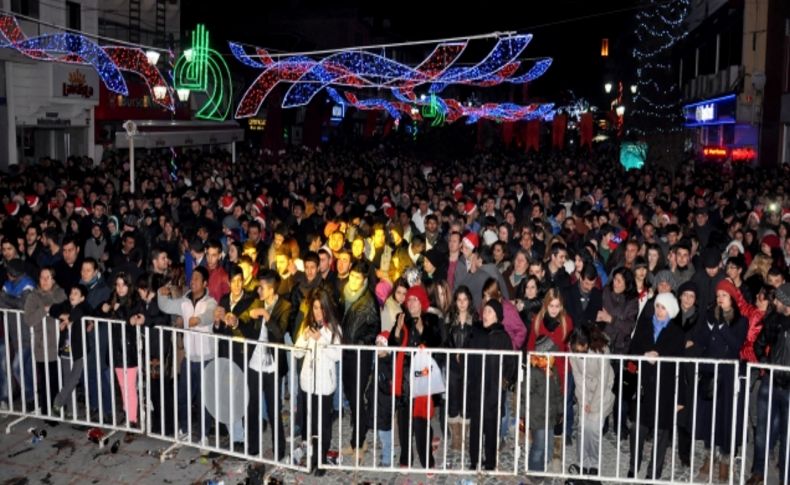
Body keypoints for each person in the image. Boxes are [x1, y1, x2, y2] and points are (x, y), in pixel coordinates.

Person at [689, 279, 747, 482]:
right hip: (710, 372)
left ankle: (725, 461)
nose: (720, 299)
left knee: (726, 417)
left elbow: (736, 345)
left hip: (728, 375)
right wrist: (709, 327)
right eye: (718, 295)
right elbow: (703, 341)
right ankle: (708, 457)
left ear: (732, 298)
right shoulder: (709, 316)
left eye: (724, 295)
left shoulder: (741, 321)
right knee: (708, 417)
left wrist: (721, 326)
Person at [627, 292, 685, 480]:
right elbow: (632, 349)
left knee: (661, 433)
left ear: (671, 310)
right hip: (644, 385)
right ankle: (633, 465)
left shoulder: (677, 332)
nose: (659, 311)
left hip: (665, 387)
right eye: (658, 306)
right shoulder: (644, 324)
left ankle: (654, 472)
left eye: (663, 307)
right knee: (638, 429)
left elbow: (682, 365)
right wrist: (644, 355)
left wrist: (681, 397)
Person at [157, 266, 217, 443]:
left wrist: (198, 320)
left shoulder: (210, 301)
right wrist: (162, 293)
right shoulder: (184, 302)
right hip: (189, 358)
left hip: (206, 359)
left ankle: (204, 434)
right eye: (192, 278)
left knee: (204, 399)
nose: (193, 281)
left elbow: (210, 315)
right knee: (183, 396)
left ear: (205, 283)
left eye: (197, 279)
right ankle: (185, 429)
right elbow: (166, 306)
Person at [389, 284, 443, 469]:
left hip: (424, 379)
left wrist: (423, 329)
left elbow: (438, 343)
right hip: (404, 380)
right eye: (409, 299)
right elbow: (392, 344)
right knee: (404, 422)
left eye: (415, 299)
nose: (411, 303)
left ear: (422, 302)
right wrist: (397, 329)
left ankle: (427, 459)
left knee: (421, 422)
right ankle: (405, 458)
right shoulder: (401, 319)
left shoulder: (432, 320)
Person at [293, 288, 342, 477]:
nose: (317, 312)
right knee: (310, 423)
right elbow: (297, 352)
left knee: (323, 425)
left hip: (324, 384)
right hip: (308, 382)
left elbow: (336, 355)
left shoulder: (334, 329)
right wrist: (305, 338)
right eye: (314, 308)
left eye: (321, 308)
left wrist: (320, 339)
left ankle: (321, 459)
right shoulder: (308, 326)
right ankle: (311, 456)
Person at [466, 299, 515, 470]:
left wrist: (505, 381)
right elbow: (468, 355)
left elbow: (510, 362)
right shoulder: (476, 332)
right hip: (477, 386)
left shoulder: (503, 337)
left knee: (491, 425)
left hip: (493, 389)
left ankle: (490, 461)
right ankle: (474, 460)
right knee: (476, 425)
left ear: (497, 317)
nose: (485, 315)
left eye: (490, 312)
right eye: (484, 311)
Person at [339, 261, 380, 459]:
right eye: (352, 276)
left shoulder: (369, 300)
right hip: (345, 352)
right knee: (349, 393)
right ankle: (357, 440)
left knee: (357, 396)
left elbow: (375, 328)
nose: (354, 280)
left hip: (360, 354)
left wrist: (362, 342)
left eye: (358, 277)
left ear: (364, 279)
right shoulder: (344, 293)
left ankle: (359, 442)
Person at [568, 325, 615, 480]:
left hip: (602, 390)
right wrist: (583, 400)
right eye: (576, 349)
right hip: (585, 389)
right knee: (582, 427)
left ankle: (593, 464)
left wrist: (593, 404)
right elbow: (577, 376)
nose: (578, 352)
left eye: (581, 348)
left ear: (588, 343)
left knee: (594, 428)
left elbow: (603, 379)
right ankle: (582, 463)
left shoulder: (602, 350)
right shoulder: (572, 348)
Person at [23, 266, 66, 415]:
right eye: (42, 277)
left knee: (58, 378)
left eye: (48, 277)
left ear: (53, 279)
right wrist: (45, 310)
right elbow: (28, 319)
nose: (45, 281)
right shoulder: (33, 296)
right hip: (43, 344)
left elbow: (64, 309)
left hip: (59, 344)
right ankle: (47, 411)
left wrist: (51, 306)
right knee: (46, 380)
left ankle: (59, 408)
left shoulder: (60, 293)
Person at [444, 285, 478, 451]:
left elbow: (477, 340)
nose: (462, 303)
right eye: (459, 300)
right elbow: (445, 339)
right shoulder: (449, 318)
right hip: (452, 365)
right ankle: (455, 436)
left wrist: (465, 352)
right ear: (455, 301)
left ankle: (465, 436)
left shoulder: (475, 318)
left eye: (465, 299)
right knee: (453, 399)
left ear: (469, 300)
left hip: (469, 365)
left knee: (467, 398)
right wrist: (454, 352)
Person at [50, 285, 91, 418]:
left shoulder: (84, 306)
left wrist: (68, 319)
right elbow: (53, 309)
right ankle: (72, 412)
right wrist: (63, 315)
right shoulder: (66, 305)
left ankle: (58, 400)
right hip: (65, 349)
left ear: (82, 298)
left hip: (79, 351)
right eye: (71, 292)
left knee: (74, 379)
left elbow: (81, 311)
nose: (72, 295)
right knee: (68, 379)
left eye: (76, 293)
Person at [525, 336, 563, 473]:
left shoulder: (553, 370)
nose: (554, 355)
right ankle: (534, 471)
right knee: (538, 446)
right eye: (551, 353)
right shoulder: (534, 371)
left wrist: (560, 411)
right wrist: (524, 416)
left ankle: (545, 466)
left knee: (549, 444)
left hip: (550, 415)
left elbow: (558, 392)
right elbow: (525, 394)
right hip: (538, 416)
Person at [366, 330, 396, 467]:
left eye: (381, 344)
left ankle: (387, 459)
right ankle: (390, 451)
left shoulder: (386, 364)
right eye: (377, 343)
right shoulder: (377, 361)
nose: (378, 347)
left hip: (384, 404)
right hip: (378, 402)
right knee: (382, 431)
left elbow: (386, 385)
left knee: (384, 432)